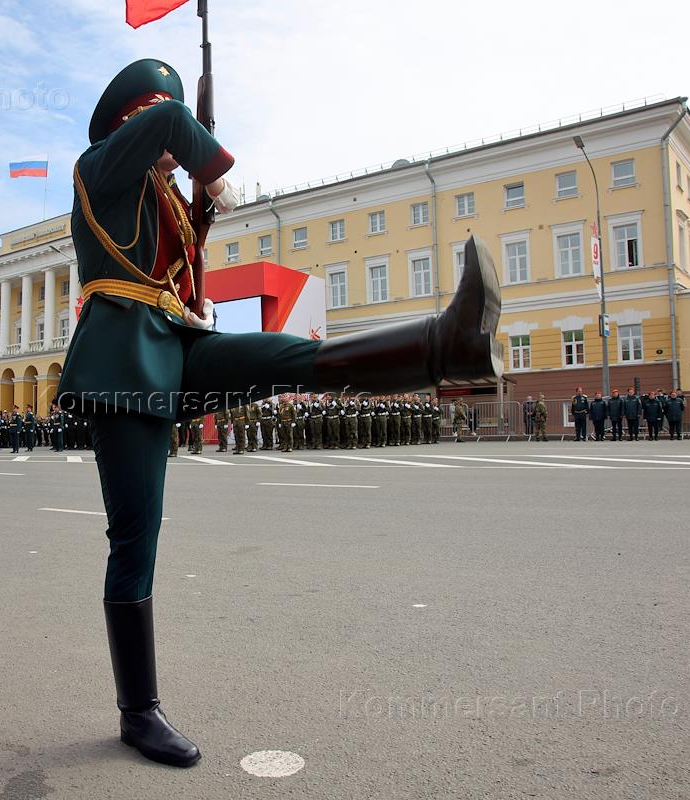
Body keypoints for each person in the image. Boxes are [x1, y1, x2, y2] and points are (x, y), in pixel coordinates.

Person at [55, 58, 502, 770]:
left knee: (289, 356)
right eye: (155, 126)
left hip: (174, 344)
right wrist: (211, 171)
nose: (169, 149)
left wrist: (196, 255)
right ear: (128, 125)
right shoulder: (99, 167)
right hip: (122, 366)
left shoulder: (163, 198)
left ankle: (447, 348)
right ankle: (138, 712)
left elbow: (175, 274)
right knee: (135, 538)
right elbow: (171, 122)